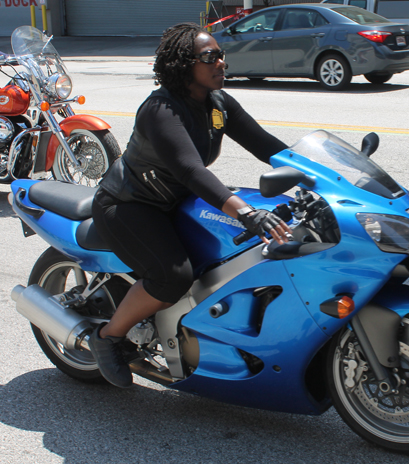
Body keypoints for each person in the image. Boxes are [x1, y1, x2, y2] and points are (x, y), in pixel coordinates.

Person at [89, 22, 291, 388]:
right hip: (131, 204)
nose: (221, 63)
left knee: (232, 254)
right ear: (185, 64)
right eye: (210, 57)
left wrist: (324, 175)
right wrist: (245, 211)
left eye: (221, 55)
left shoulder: (218, 103)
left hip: (177, 200)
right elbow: (189, 169)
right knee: (173, 276)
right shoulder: (160, 109)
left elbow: (269, 147)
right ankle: (108, 338)